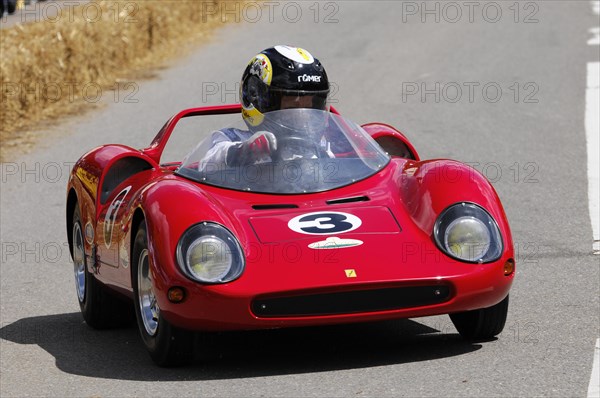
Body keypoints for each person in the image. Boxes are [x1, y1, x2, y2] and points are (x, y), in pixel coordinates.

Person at [199, 45, 330, 170]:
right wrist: (244, 151)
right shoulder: (231, 139)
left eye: (309, 108)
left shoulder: (320, 144)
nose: (301, 116)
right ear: (257, 99)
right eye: (292, 107)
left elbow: (344, 173)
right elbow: (206, 165)